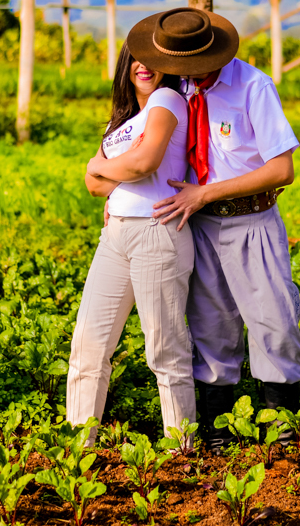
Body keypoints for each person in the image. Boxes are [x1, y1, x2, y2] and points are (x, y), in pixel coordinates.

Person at [129, 6, 300, 453]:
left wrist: (205, 194)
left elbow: (282, 169)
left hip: (251, 220)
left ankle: (282, 430)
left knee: (273, 321)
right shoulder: (178, 87)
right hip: (198, 225)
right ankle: (216, 431)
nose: (182, 73)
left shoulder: (253, 87)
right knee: (210, 326)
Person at [66, 27, 196, 445]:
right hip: (115, 236)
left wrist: (105, 165)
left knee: (165, 349)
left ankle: (181, 448)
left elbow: (143, 163)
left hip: (157, 233)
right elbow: (93, 186)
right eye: (137, 58)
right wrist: (116, 167)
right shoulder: (120, 121)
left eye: (154, 60)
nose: (144, 66)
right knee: (88, 345)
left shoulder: (168, 100)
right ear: (126, 63)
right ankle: (79, 445)